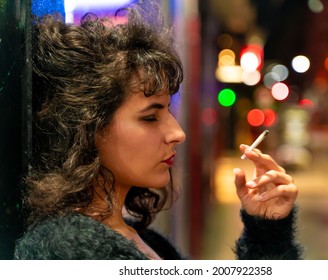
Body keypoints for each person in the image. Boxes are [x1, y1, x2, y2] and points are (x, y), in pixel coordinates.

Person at [14, 2, 302, 260]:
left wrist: (266, 230)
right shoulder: (69, 250)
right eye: (150, 117)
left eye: (169, 111)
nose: (178, 133)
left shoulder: (138, 238)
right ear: (87, 127)